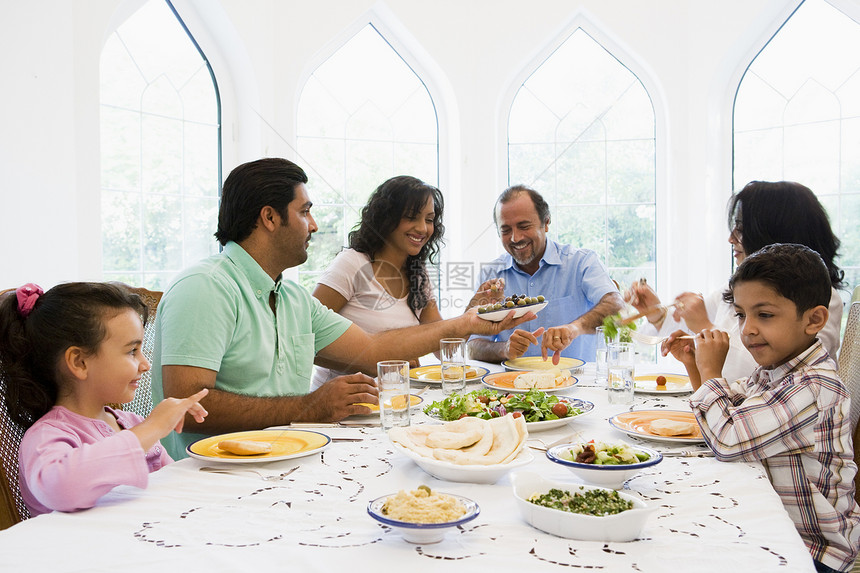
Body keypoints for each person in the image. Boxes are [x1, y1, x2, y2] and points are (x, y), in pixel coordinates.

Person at [151, 158, 532, 459]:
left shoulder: (293, 300)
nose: (314, 226)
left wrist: (468, 322)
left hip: (285, 458)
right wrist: (310, 406)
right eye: (304, 212)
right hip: (209, 478)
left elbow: (374, 352)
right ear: (269, 217)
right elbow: (185, 408)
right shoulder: (205, 287)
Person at [664, 244, 859, 573]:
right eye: (741, 314)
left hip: (811, 550)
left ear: (814, 319)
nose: (747, 328)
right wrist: (696, 367)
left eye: (764, 314)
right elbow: (734, 411)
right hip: (772, 525)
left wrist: (712, 372)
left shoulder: (813, 386)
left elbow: (728, 439)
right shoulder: (778, 369)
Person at [0, 282, 208, 516]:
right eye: (132, 351)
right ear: (79, 362)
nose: (146, 364)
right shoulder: (47, 435)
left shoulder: (131, 423)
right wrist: (152, 428)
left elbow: (174, 487)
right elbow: (61, 489)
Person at [629, 180, 844, 384]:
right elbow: (691, 323)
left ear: (774, 234)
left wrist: (704, 327)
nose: (731, 238)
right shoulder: (740, 287)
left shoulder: (820, 298)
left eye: (741, 228)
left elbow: (771, 372)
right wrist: (657, 315)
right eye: (741, 315)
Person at [311, 175, 501, 390]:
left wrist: (472, 311)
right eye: (412, 217)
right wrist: (380, 361)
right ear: (386, 218)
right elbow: (305, 339)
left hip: (394, 399)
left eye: (429, 220)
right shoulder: (351, 263)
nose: (422, 228)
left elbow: (443, 349)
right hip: (342, 403)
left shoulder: (417, 274)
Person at [467, 184, 624, 364]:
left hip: (577, 386)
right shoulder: (490, 274)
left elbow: (617, 306)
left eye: (524, 226)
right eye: (506, 230)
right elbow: (473, 345)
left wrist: (574, 328)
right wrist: (504, 349)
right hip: (511, 385)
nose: (515, 238)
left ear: (546, 223)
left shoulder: (581, 262)